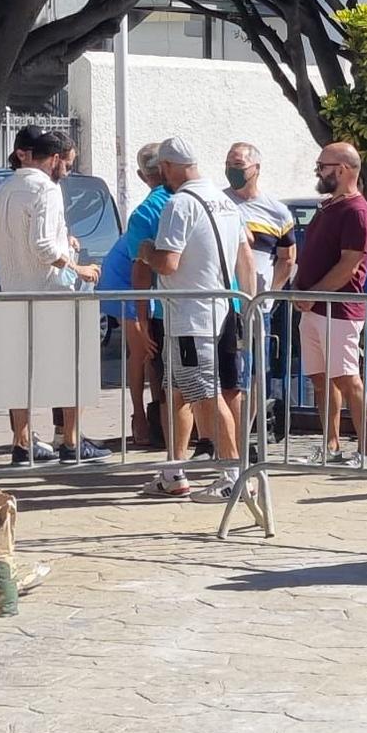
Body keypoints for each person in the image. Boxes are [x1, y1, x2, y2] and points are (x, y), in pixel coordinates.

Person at [139, 138, 257, 502]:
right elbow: (246, 259)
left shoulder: (179, 204)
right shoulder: (224, 200)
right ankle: (174, 471)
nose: (161, 175)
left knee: (206, 394)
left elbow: (168, 263)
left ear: (171, 167)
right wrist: (248, 307)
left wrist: (146, 253)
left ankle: (233, 475)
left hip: (192, 316)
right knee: (177, 390)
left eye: (162, 168)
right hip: (223, 308)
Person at [0, 128, 107, 467]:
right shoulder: (47, 190)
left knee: (17, 371)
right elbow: (43, 247)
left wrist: (23, 251)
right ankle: (70, 440)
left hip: (12, 291)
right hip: (51, 291)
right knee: (70, 367)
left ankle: (22, 444)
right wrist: (76, 266)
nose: (67, 171)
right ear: (54, 160)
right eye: (67, 164)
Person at [293, 142, 367, 469]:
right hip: (314, 308)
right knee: (320, 378)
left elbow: (350, 263)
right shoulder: (329, 206)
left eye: (323, 165)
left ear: (342, 169)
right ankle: (331, 446)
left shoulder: (357, 211)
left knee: (347, 378)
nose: (318, 170)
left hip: (340, 309)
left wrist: (314, 292)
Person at [98, 142, 171, 450]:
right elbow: (138, 268)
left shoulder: (165, 198)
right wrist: (139, 319)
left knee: (151, 351)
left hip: (145, 279)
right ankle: (140, 417)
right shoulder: (157, 204)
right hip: (128, 278)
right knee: (141, 350)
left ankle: (155, 416)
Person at [223, 141, 294, 457]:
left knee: (253, 372)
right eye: (229, 164)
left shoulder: (276, 211)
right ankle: (222, 439)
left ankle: (244, 435)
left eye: (238, 165)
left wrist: (270, 295)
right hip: (222, 302)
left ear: (256, 169)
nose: (233, 170)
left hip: (255, 307)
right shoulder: (219, 203)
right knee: (224, 372)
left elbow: (288, 257)